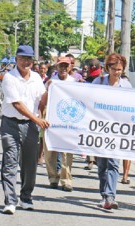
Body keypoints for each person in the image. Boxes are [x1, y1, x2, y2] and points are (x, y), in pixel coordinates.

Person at [0, 45, 49, 214]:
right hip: (11, 124)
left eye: (29, 59)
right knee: (10, 161)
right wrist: (37, 119)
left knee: (30, 164)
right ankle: (10, 200)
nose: (25, 62)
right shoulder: (9, 77)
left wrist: (50, 89)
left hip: (30, 127)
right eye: (22, 58)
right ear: (16, 59)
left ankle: (26, 197)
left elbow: (42, 100)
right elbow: (17, 104)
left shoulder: (36, 78)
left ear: (32, 61)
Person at [91, 53, 132, 209]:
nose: (117, 72)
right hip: (100, 130)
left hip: (117, 131)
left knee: (113, 163)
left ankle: (110, 196)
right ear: (108, 68)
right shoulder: (98, 82)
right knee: (102, 165)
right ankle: (104, 194)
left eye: (120, 69)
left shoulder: (126, 86)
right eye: (114, 69)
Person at [43, 57, 75, 191]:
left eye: (65, 66)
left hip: (68, 121)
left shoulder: (74, 83)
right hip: (52, 120)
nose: (63, 68)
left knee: (67, 152)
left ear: (69, 68)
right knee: (50, 151)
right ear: (57, 68)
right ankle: (53, 178)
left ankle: (66, 180)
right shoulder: (51, 82)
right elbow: (44, 100)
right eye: (61, 66)